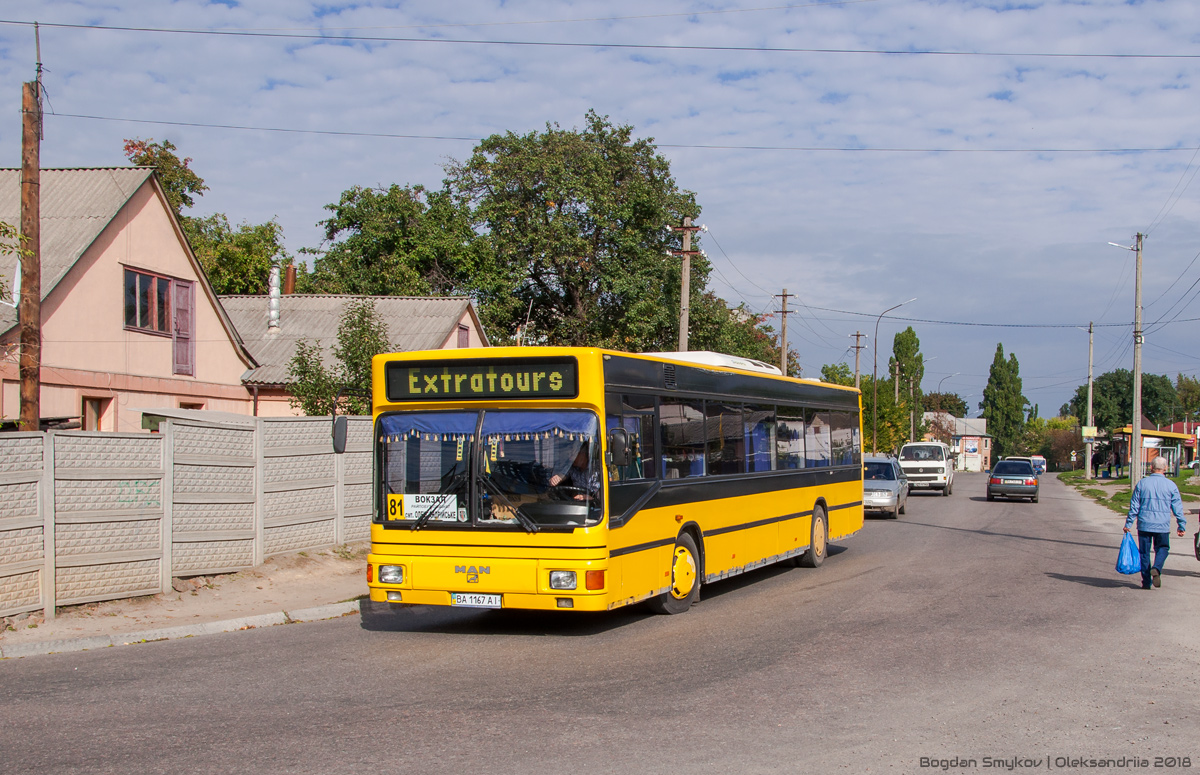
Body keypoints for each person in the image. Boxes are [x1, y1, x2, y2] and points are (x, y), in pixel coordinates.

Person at [1123, 456, 1187, 589]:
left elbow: (1134, 506)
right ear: (1165, 468)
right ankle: (1157, 567)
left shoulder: (1142, 484)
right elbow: (1177, 508)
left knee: (1144, 553)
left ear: (1151, 467)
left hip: (1144, 524)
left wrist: (1128, 523)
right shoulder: (1171, 485)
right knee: (1163, 548)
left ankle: (1146, 582)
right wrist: (1181, 525)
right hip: (1162, 525)